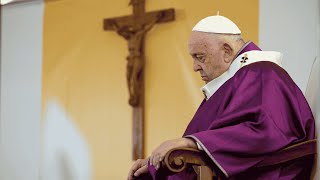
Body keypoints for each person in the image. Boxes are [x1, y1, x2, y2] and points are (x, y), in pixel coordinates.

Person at [127, 15, 315, 180]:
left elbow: (266, 132)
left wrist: (190, 142)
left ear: (226, 51)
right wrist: (155, 163)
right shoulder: (237, 80)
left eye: (200, 57)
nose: (195, 67)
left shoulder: (262, 75)